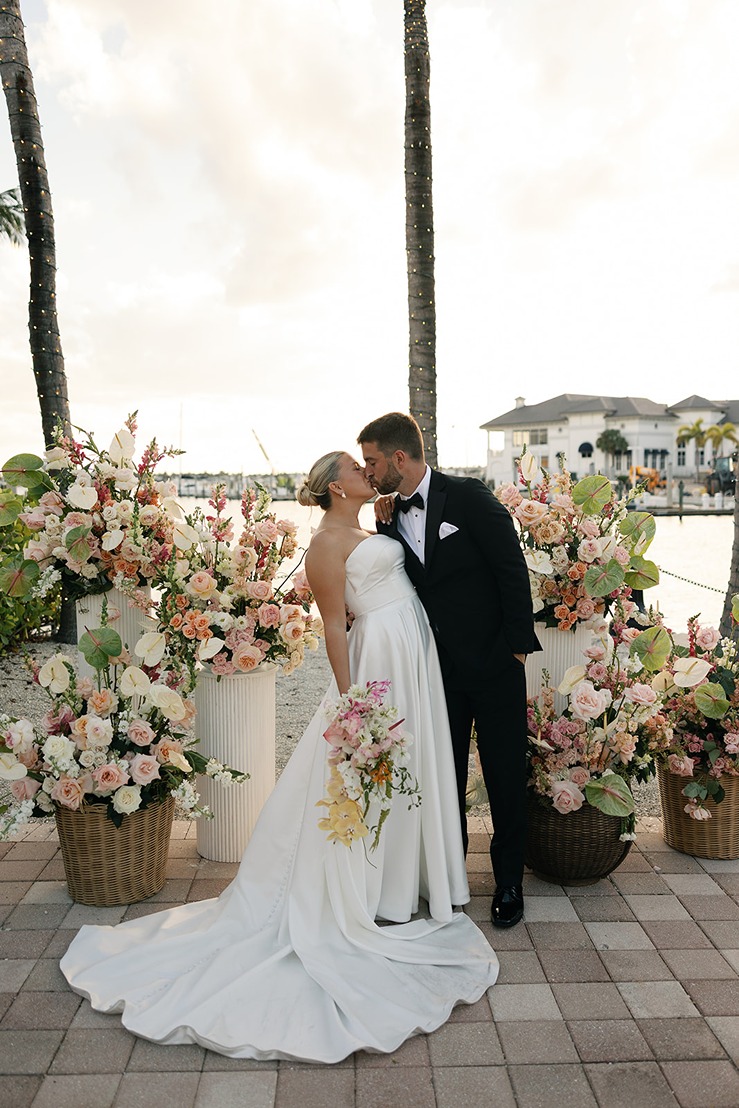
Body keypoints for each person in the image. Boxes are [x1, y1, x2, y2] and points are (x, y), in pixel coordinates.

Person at [59, 450, 498, 1063]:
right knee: (363, 775)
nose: (366, 471)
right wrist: (350, 703)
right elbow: (334, 627)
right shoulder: (325, 544)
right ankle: (375, 894)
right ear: (333, 484)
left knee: (404, 772)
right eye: (355, 466)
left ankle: (406, 882)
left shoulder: (371, 523)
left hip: (412, 651)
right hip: (376, 664)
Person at [358, 413, 540, 929]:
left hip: (496, 664)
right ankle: (450, 875)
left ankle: (508, 884)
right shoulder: (387, 518)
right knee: (445, 774)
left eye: (372, 461)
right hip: (434, 672)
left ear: (398, 458)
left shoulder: (469, 497)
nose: (368, 472)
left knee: (505, 774)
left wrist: (517, 649)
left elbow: (511, 568)